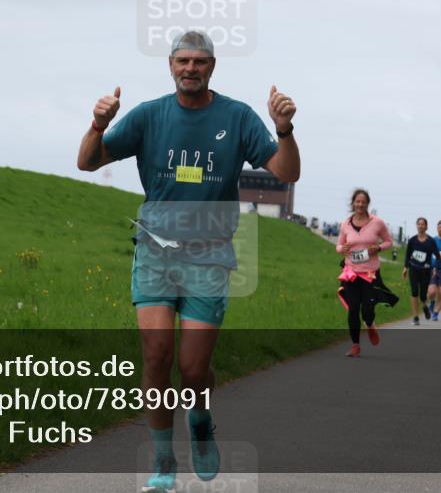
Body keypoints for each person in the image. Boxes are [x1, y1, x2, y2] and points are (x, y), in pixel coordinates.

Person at [76, 29, 301, 491]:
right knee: (156, 356)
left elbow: (286, 171)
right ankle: (162, 461)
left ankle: (199, 420)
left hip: (209, 256)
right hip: (155, 253)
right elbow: (87, 162)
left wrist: (283, 129)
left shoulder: (236, 117)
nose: (190, 69)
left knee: (194, 369)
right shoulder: (149, 115)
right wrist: (97, 125)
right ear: (171, 65)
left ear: (212, 67)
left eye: (199, 62)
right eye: (183, 61)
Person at [336, 189, 394, 357]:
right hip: (351, 273)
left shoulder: (377, 223)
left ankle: (369, 324)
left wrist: (379, 247)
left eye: (363, 202)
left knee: (367, 310)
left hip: (370, 273)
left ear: (368, 203)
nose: (360, 204)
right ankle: (355, 345)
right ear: (353, 203)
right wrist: (343, 248)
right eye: (357, 201)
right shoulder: (345, 224)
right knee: (353, 309)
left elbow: (389, 242)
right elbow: (338, 246)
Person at [402, 216, 438, 325]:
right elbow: (408, 255)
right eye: (419, 224)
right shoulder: (412, 240)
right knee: (414, 292)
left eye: (423, 224)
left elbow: (436, 255)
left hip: (426, 271)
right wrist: (405, 268)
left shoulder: (431, 241)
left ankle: (425, 306)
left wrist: (435, 267)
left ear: (426, 227)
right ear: (416, 226)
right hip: (414, 269)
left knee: (423, 295)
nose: (420, 226)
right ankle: (415, 317)